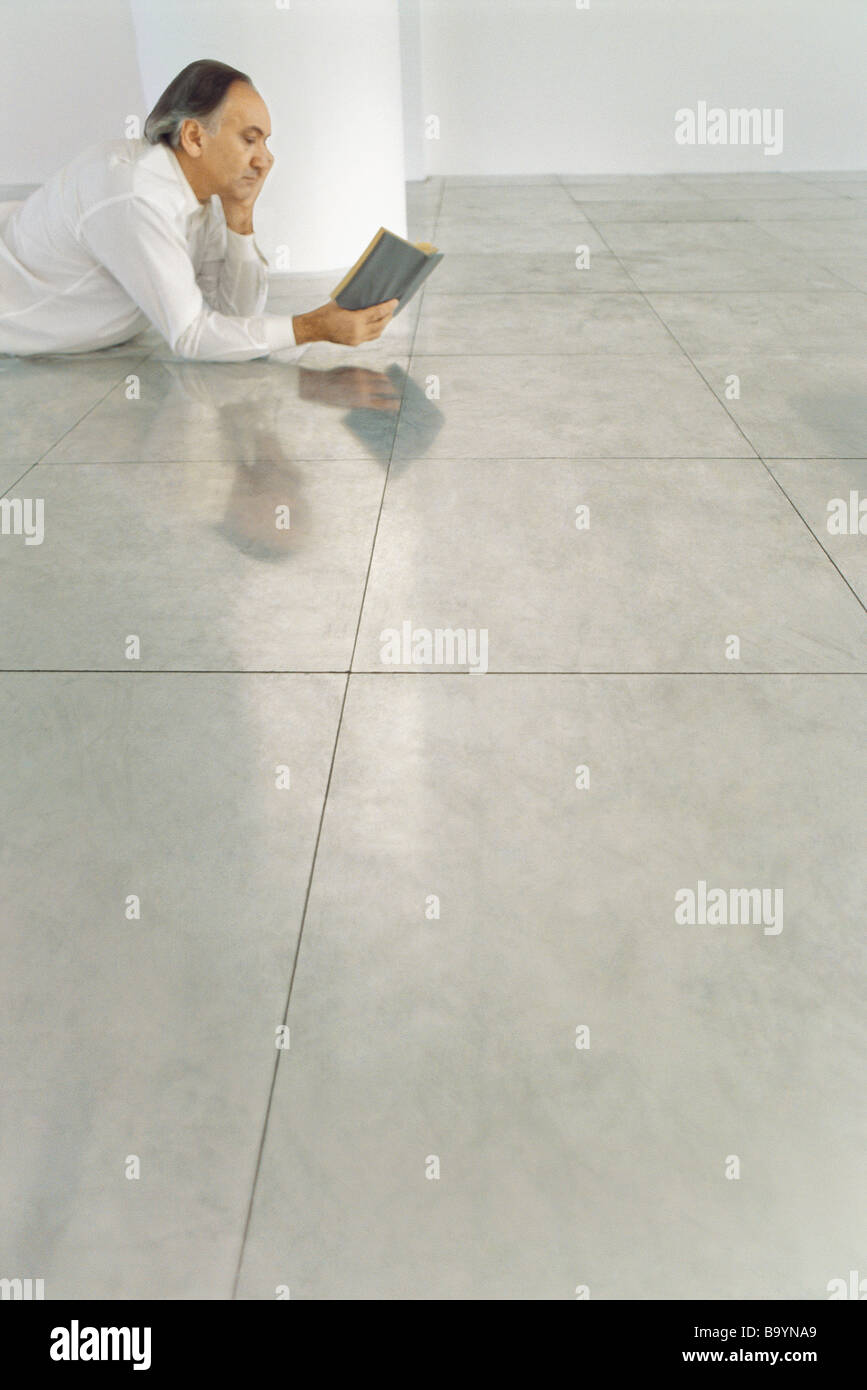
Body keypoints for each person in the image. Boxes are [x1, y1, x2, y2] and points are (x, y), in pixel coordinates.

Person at [0, 59, 398, 361]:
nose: (265, 160)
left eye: (266, 142)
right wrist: (311, 328)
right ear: (193, 136)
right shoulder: (136, 196)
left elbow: (233, 314)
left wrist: (240, 216)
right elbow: (191, 337)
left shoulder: (200, 192)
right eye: (250, 140)